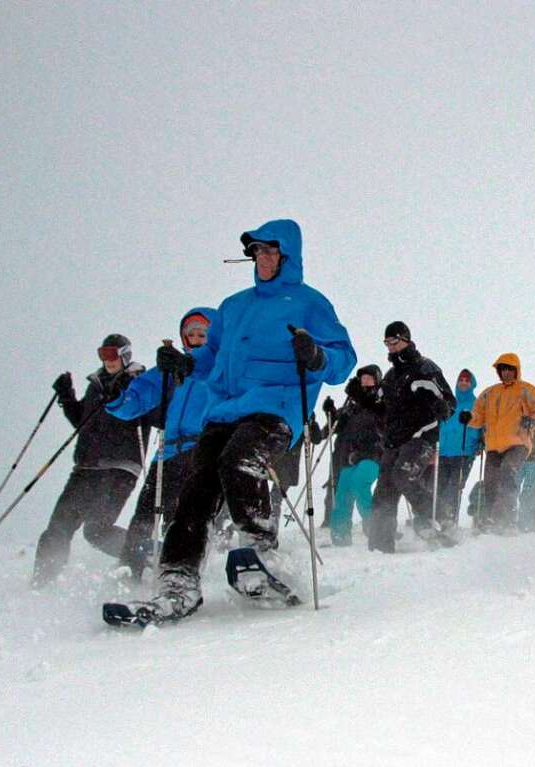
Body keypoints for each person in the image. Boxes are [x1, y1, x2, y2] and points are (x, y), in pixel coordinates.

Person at [117, 219, 356, 623]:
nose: (262, 258)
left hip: (275, 407)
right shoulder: (232, 307)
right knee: (196, 491)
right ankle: (178, 582)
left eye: (270, 251)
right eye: (257, 252)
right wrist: (184, 363)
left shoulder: (309, 303)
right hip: (225, 408)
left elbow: (342, 361)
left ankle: (261, 549)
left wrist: (316, 354)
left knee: (238, 462)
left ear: (287, 256)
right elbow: (210, 360)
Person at [108, 308, 217, 581]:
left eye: (202, 333)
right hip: (168, 451)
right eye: (190, 333)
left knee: (181, 515)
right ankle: (129, 568)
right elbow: (136, 399)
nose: (195, 338)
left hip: (200, 447)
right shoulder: (168, 369)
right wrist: (118, 392)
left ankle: (177, 570)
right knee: (144, 513)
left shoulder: (219, 365)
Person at [33, 335, 148, 586]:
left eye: (112, 354)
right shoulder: (96, 384)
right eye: (103, 354)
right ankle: (42, 580)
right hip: (86, 466)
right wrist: (66, 397)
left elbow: (144, 413)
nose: (107, 360)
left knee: (97, 529)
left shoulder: (138, 382)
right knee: (59, 525)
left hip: (120, 467)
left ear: (125, 355)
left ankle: (151, 557)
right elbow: (83, 422)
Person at [364, 322, 455, 552]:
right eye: (387, 343)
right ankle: (379, 547)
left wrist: (444, 406)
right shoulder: (391, 376)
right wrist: (366, 400)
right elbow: (381, 408)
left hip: (421, 436)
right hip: (395, 439)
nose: (391, 348)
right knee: (384, 491)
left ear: (405, 339)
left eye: (394, 342)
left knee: (403, 475)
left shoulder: (424, 367)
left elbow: (448, 400)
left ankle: (440, 516)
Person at [463, 353, 535, 533]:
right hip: (494, 446)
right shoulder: (489, 393)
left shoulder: (526, 390)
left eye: (510, 369)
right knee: (490, 482)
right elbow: (478, 416)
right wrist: (468, 418)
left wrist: (533, 421)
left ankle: (509, 520)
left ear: (516, 370)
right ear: (498, 371)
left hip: (518, 443)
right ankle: (490, 520)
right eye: (502, 369)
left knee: (507, 473)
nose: (506, 373)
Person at [325, 365, 384, 546]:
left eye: (369, 377)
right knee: (343, 492)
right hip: (350, 457)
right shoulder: (351, 405)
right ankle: (340, 535)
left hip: (373, 455)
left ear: (377, 380)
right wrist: (331, 413)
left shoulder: (380, 400)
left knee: (359, 484)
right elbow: (335, 427)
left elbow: (382, 419)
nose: (365, 381)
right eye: (362, 378)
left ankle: (377, 528)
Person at [436, 369, 483, 526]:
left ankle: (449, 521)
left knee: (453, 488)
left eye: (467, 381)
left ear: (472, 384)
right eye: (461, 380)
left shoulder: (477, 404)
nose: (463, 383)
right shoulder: (449, 403)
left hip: (464, 452)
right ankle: (437, 519)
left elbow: (483, 424)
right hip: (443, 452)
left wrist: (482, 440)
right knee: (438, 487)